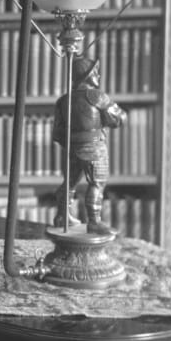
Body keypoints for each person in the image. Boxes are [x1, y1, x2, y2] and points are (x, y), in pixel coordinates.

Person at [51, 56, 126, 230]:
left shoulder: (63, 101)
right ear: (88, 75)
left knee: (69, 183)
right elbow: (116, 118)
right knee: (97, 183)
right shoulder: (97, 96)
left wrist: (73, 143)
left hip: (72, 148)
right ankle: (94, 221)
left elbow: (58, 133)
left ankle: (62, 216)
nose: (98, 77)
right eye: (96, 73)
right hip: (94, 147)